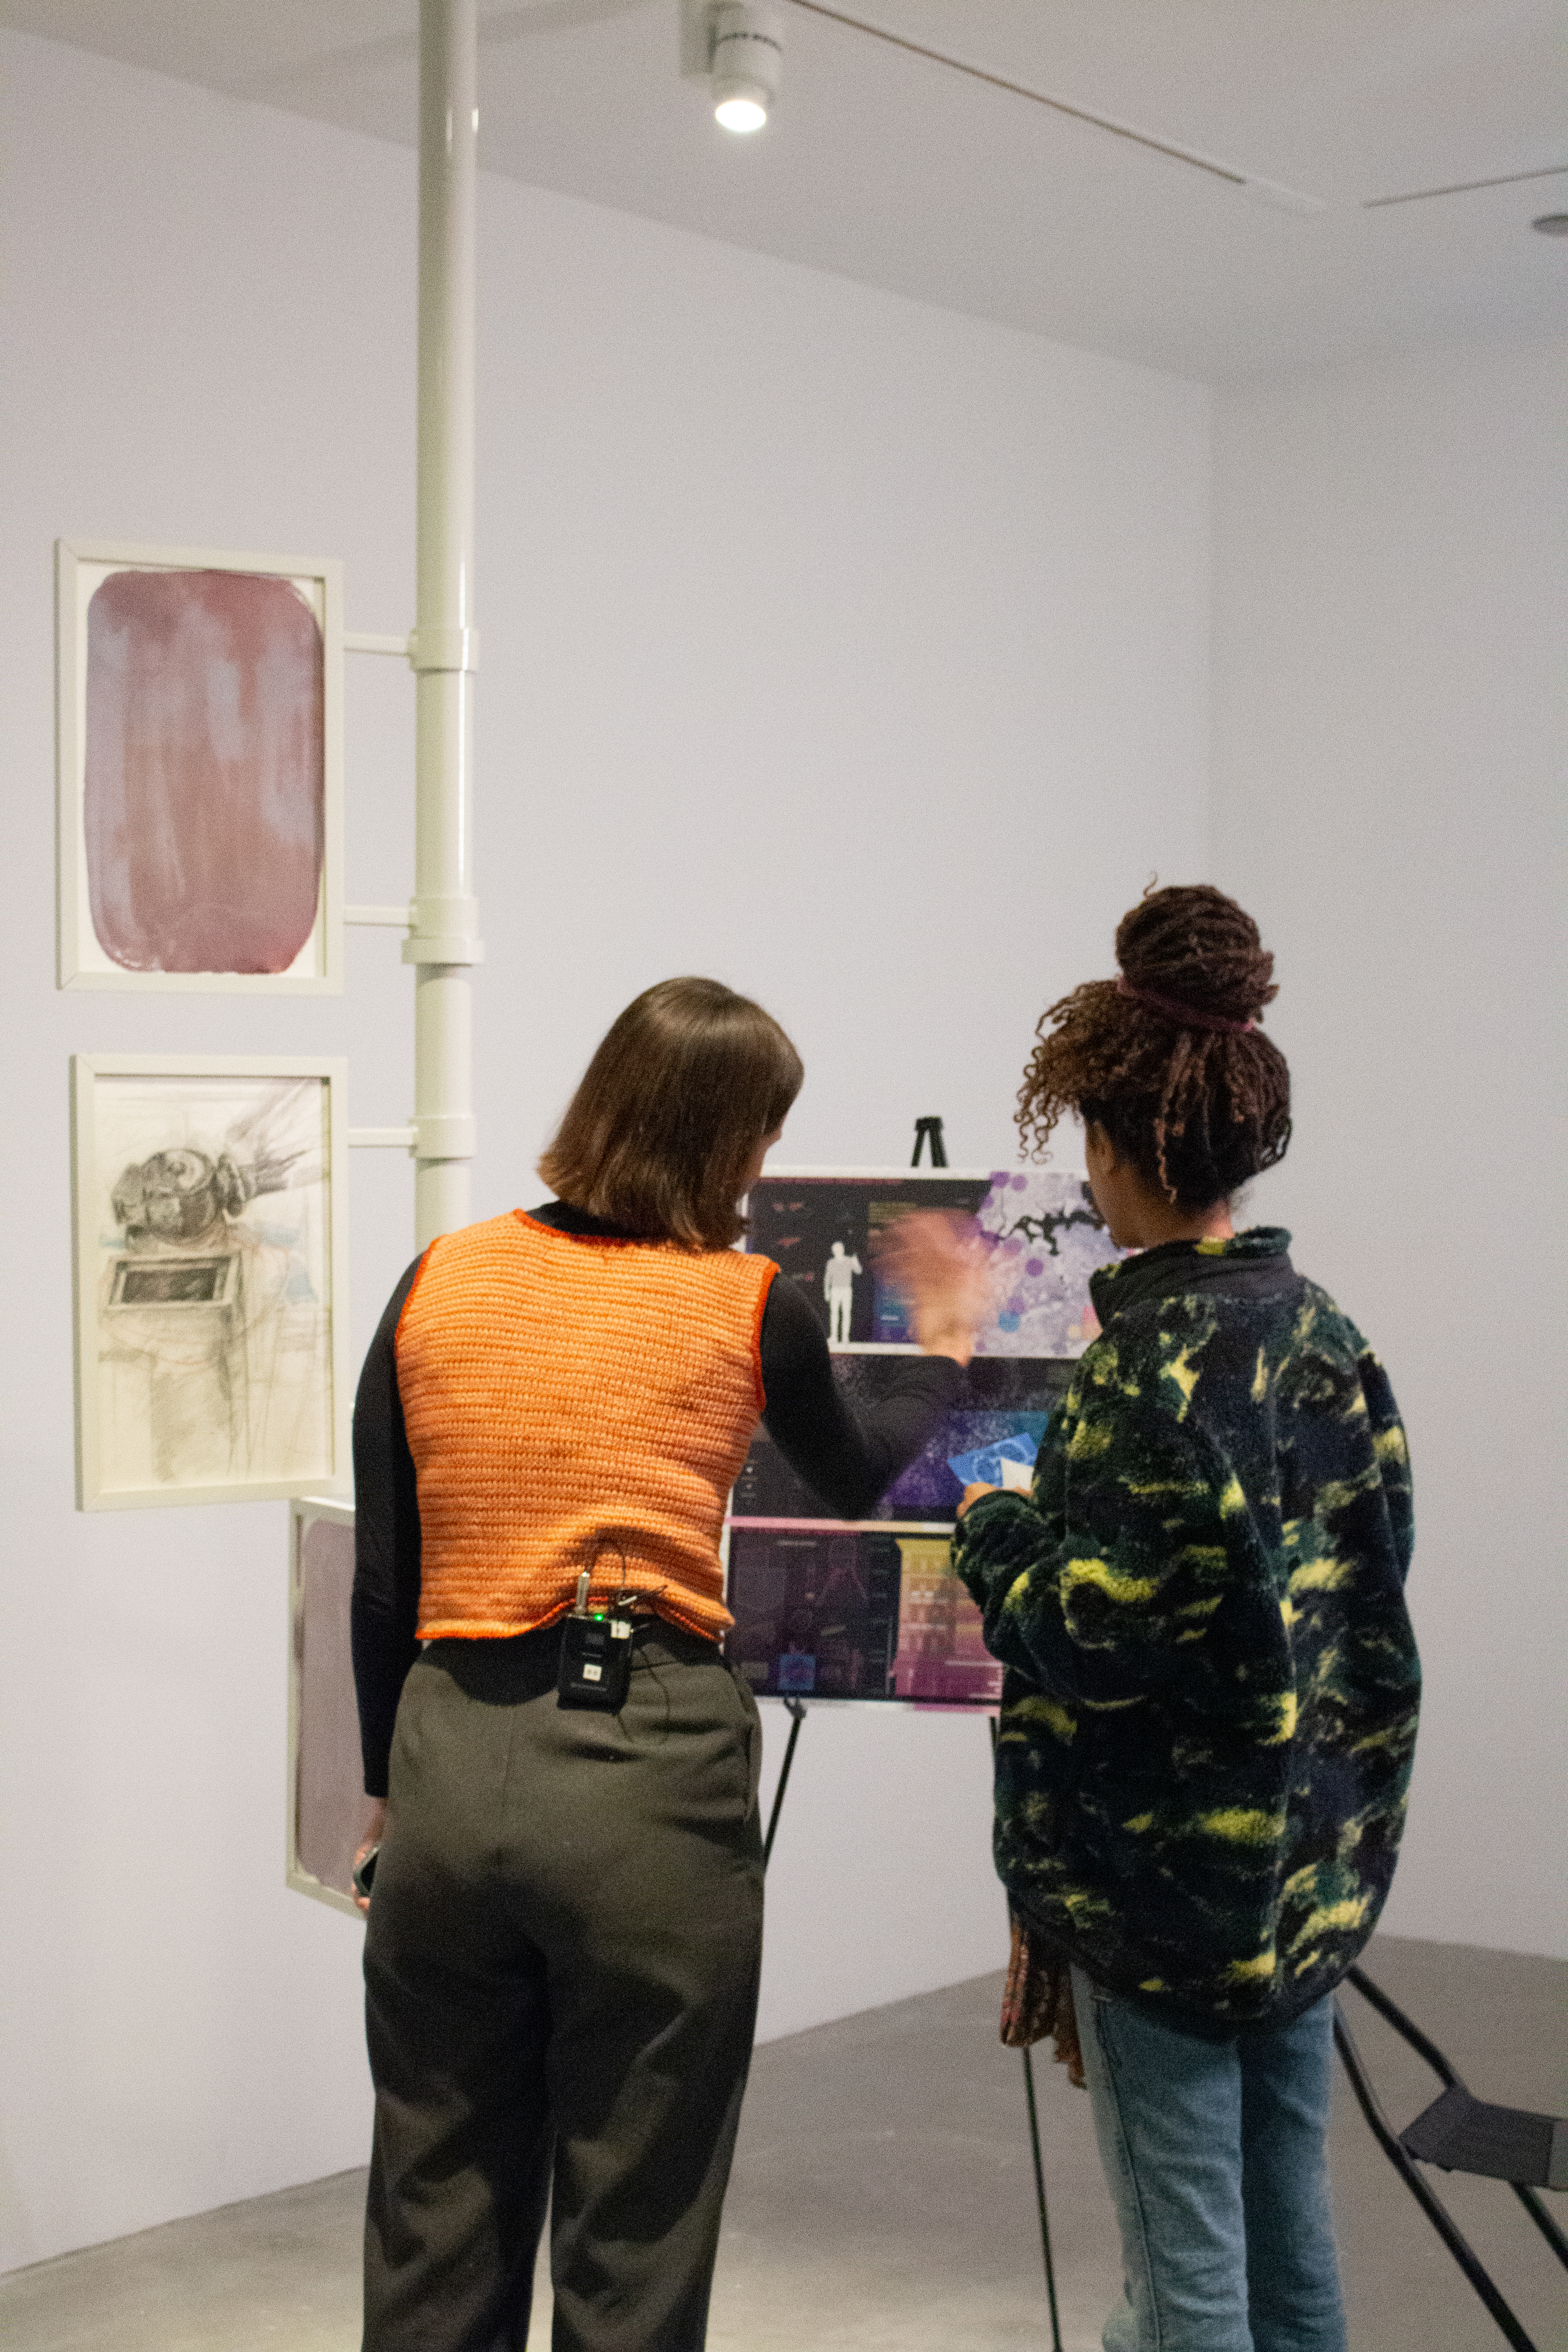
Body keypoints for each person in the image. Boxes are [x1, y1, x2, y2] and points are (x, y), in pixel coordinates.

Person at [348, 975, 985, 2352]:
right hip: (649, 1774)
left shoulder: (438, 1277)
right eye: (761, 1133)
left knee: (430, 2204)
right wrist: (942, 1343)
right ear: (720, 1141)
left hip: (449, 1755)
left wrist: (385, 1796)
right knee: (635, 2223)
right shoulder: (750, 1301)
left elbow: (387, 1571)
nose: (766, 1165)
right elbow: (861, 1470)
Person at [949, 885, 1420, 2352]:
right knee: (1292, 2237)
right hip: (1305, 1873)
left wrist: (997, 1525)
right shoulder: (1325, 1330)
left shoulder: (1148, 1372)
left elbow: (1093, 1636)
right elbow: (1370, 1588)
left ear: (1116, 1149)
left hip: (1169, 1895)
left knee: (1185, 2273)